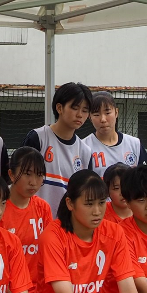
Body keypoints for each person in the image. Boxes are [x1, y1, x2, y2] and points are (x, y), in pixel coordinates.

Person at [22, 81, 93, 211]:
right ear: (59, 108)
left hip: (65, 225)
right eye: (75, 108)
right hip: (34, 219)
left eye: (85, 110)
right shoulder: (37, 138)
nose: (80, 115)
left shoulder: (85, 152)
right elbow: (20, 180)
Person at [1, 146, 51, 264]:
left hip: (38, 281)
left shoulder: (43, 207)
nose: (33, 182)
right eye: (27, 174)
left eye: (39, 175)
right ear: (11, 174)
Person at [81, 91, 145, 177]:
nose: (103, 119)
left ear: (116, 112)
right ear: (90, 117)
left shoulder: (134, 144)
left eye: (107, 113)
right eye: (96, 114)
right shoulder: (84, 147)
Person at [102, 162, 135, 227]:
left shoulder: (143, 210)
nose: (122, 192)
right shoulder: (100, 214)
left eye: (126, 186)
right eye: (116, 188)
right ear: (107, 191)